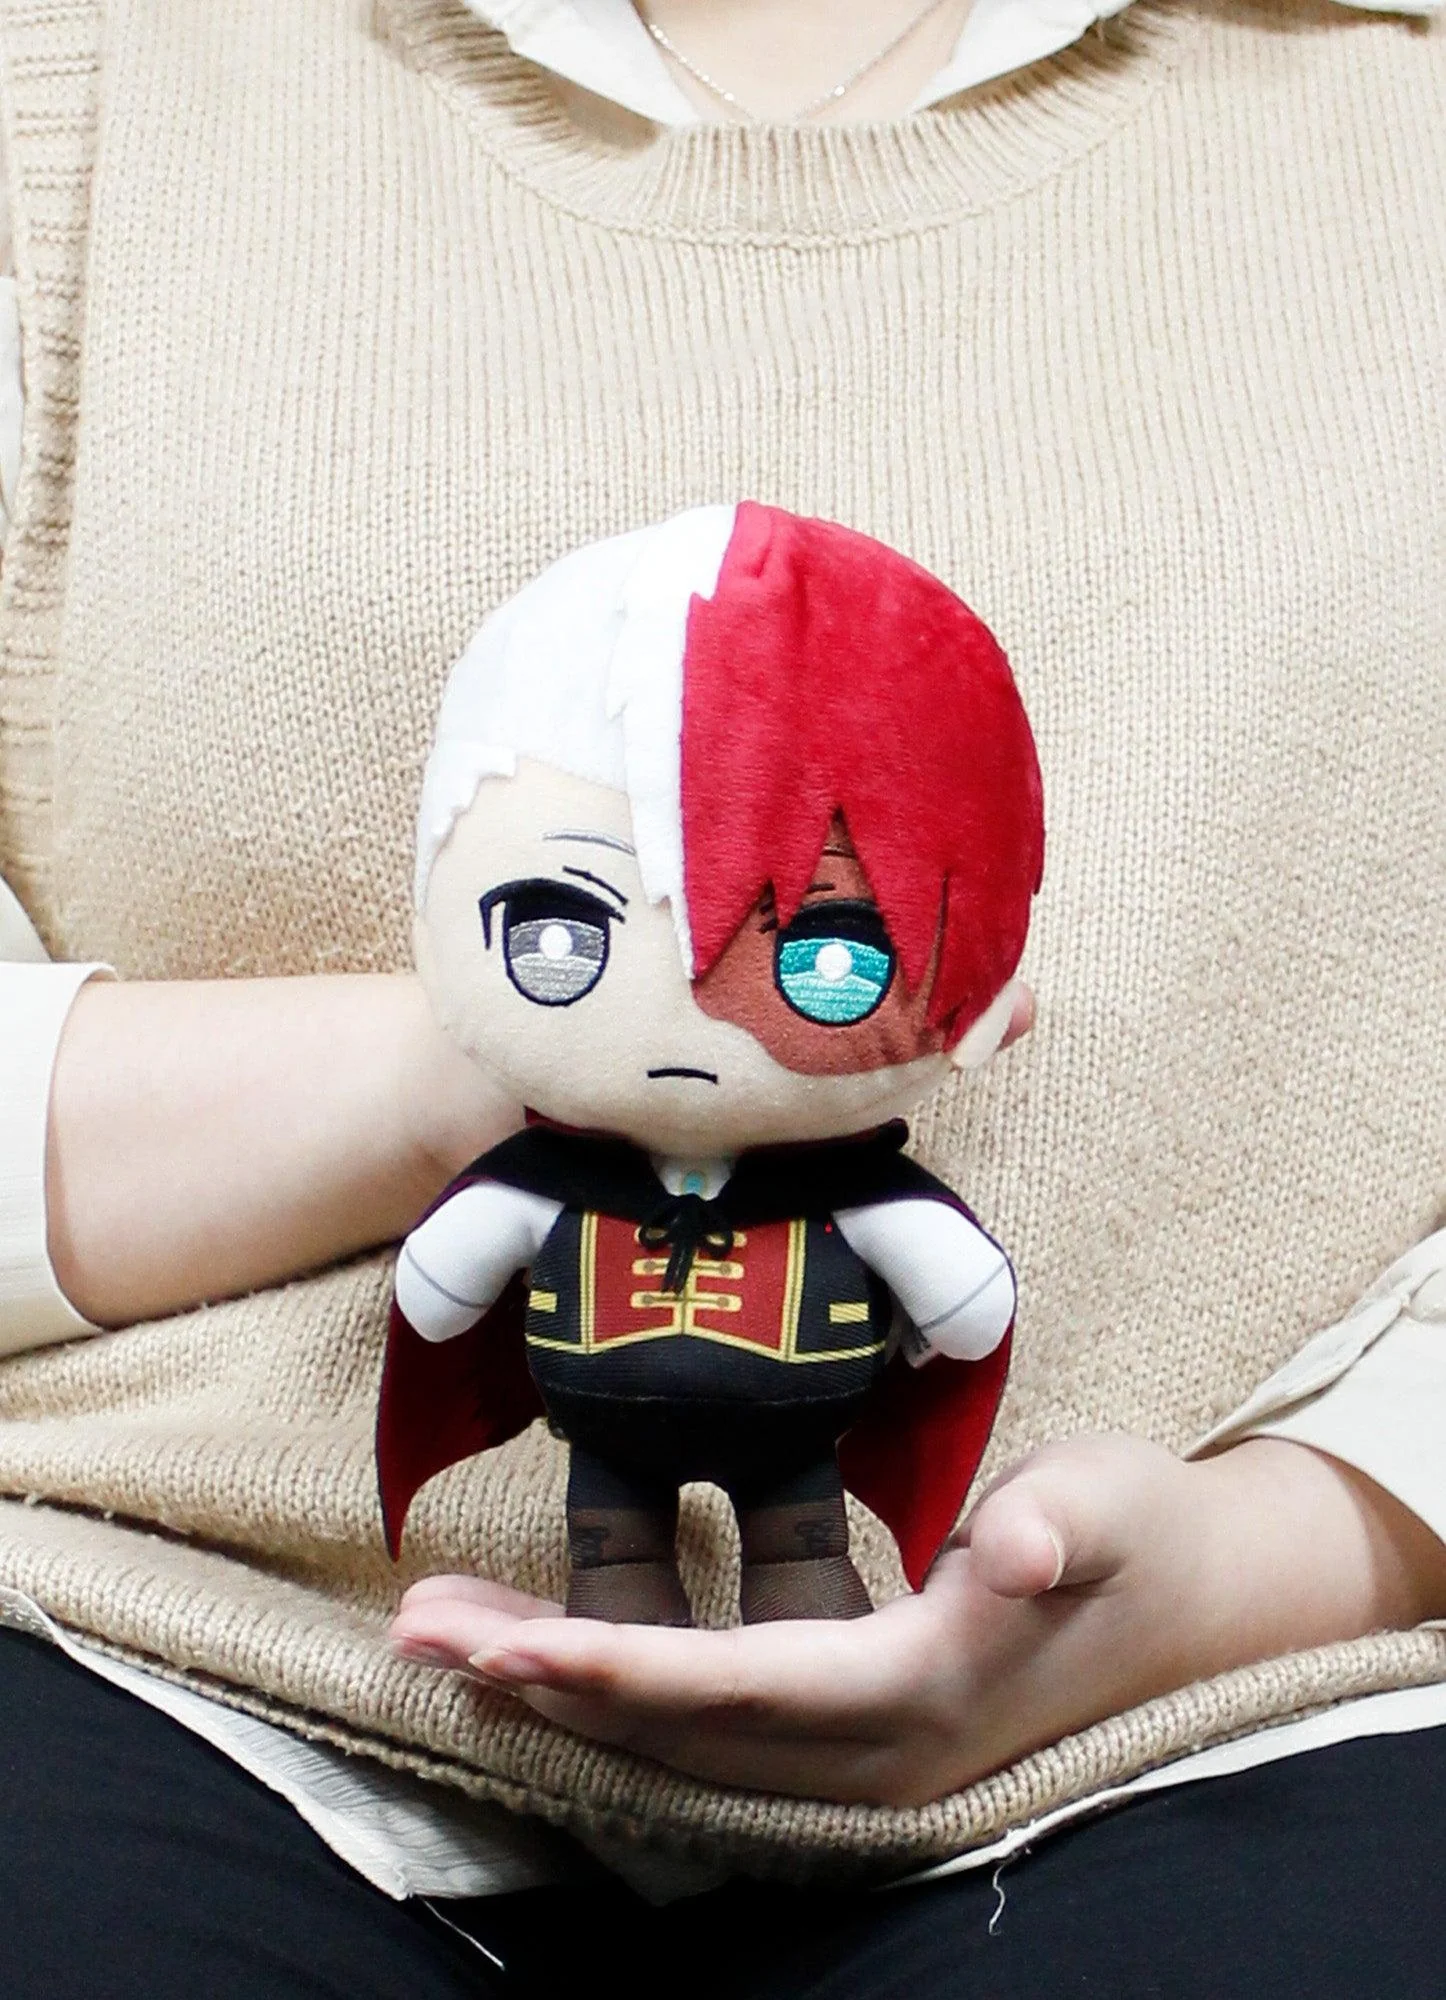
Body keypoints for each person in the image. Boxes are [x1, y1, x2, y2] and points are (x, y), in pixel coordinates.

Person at [0, 1, 1443, 1993]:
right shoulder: (81, 83)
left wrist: (1275, 1556)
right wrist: (507, 1056)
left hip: (1229, 1721)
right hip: (155, 1652)